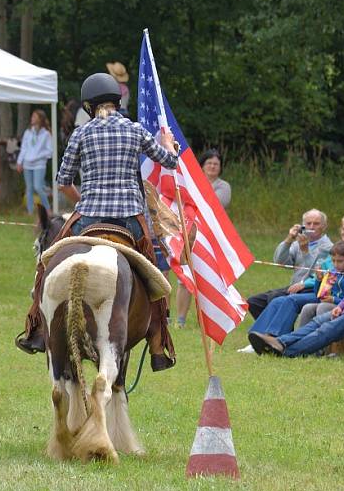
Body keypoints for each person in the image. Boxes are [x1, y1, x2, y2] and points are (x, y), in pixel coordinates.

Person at [15, 72, 179, 372]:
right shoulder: (135, 130)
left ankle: (36, 330)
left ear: (89, 106)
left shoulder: (81, 133)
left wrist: (82, 201)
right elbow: (169, 162)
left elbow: (63, 181)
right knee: (153, 278)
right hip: (130, 219)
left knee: (46, 262)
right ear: (117, 101)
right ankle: (158, 344)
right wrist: (169, 144)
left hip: (87, 217)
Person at [249, 226, 344, 358]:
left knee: (328, 328)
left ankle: (286, 351)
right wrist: (342, 306)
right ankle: (280, 342)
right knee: (319, 321)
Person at [247, 241, 344, 343]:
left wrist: (334, 299)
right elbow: (318, 293)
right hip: (326, 300)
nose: (335, 264)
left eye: (340, 261)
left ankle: (280, 338)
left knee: (310, 304)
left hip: (339, 305)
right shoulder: (334, 272)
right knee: (282, 300)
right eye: (333, 261)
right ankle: (264, 335)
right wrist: (318, 280)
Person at [175, 148, 231, 327]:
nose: (213, 167)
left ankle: (206, 320)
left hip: (213, 238)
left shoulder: (224, 186)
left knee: (208, 278)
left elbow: (216, 204)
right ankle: (180, 320)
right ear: (202, 166)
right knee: (185, 277)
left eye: (216, 164)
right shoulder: (191, 183)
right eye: (209, 163)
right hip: (191, 235)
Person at [245, 209, 333, 319]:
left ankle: (279, 333)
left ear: (324, 226)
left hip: (311, 287)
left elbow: (317, 273)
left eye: (316, 224)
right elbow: (280, 261)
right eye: (308, 223)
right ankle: (265, 331)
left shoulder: (327, 247)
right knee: (254, 302)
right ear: (302, 226)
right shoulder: (299, 243)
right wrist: (289, 239)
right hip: (294, 286)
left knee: (275, 298)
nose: (311, 227)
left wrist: (305, 252)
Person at [16, 109, 53, 215]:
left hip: (39, 165)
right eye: (32, 116)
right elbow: (23, 148)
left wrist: (37, 157)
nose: (32, 118)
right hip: (27, 164)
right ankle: (30, 211)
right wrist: (19, 162)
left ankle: (47, 209)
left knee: (38, 187)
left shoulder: (46, 134)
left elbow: (49, 151)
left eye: (34, 116)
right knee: (29, 188)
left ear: (40, 119)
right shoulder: (28, 132)